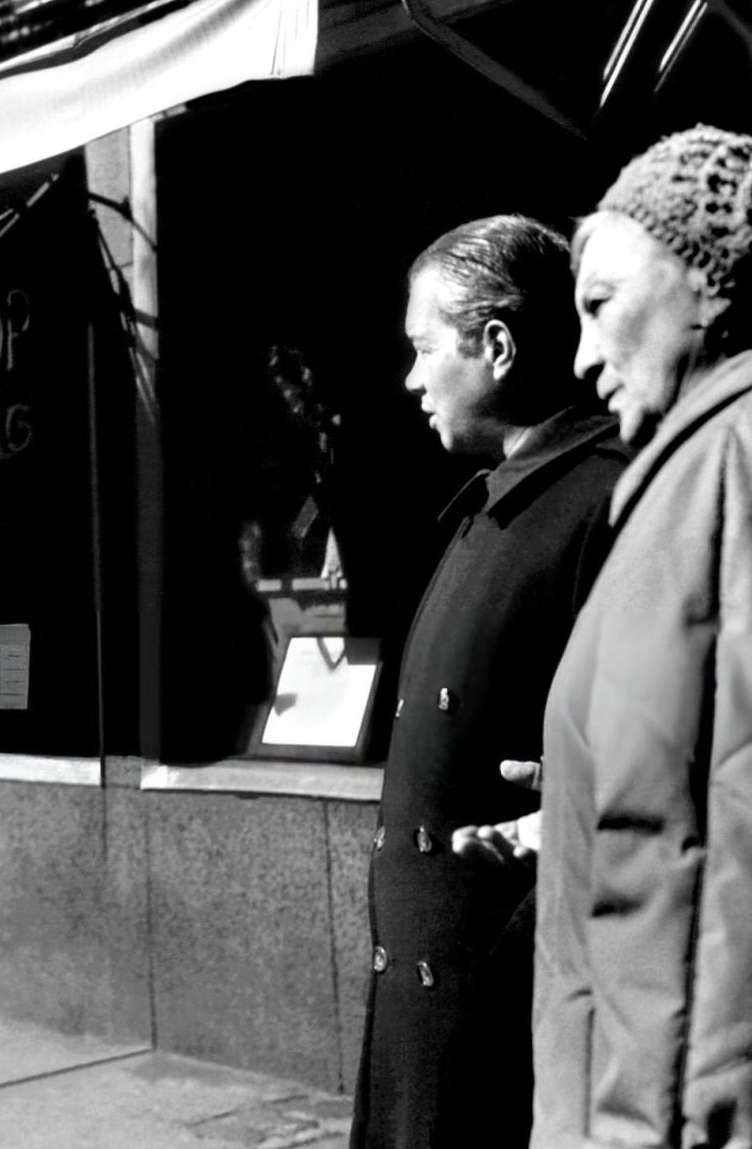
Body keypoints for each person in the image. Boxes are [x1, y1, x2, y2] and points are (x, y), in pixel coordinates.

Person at [351, 215, 627, 1149]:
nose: (411, 378)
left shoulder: (608, 501)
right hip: (434, 994)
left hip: (506, 1011)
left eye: (425, 349)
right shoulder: (489, 504)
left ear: (496, 346)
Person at [523, 126, 752, 1149]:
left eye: (598, 305)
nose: (578, 355)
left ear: (710, 278)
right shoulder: (683, 476)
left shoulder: (732, 465)